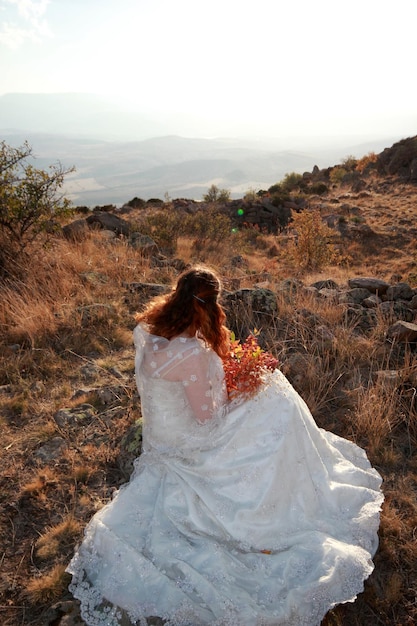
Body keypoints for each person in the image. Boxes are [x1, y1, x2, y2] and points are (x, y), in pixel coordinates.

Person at [67, 266, 384, 626]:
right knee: (276, 399)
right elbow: (207, 418)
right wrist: (240, 387)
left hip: (160, 440)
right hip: (190, 445)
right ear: (209, 306)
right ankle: (300, 486)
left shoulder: (147, 332)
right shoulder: (193, 354)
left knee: (269, 392)